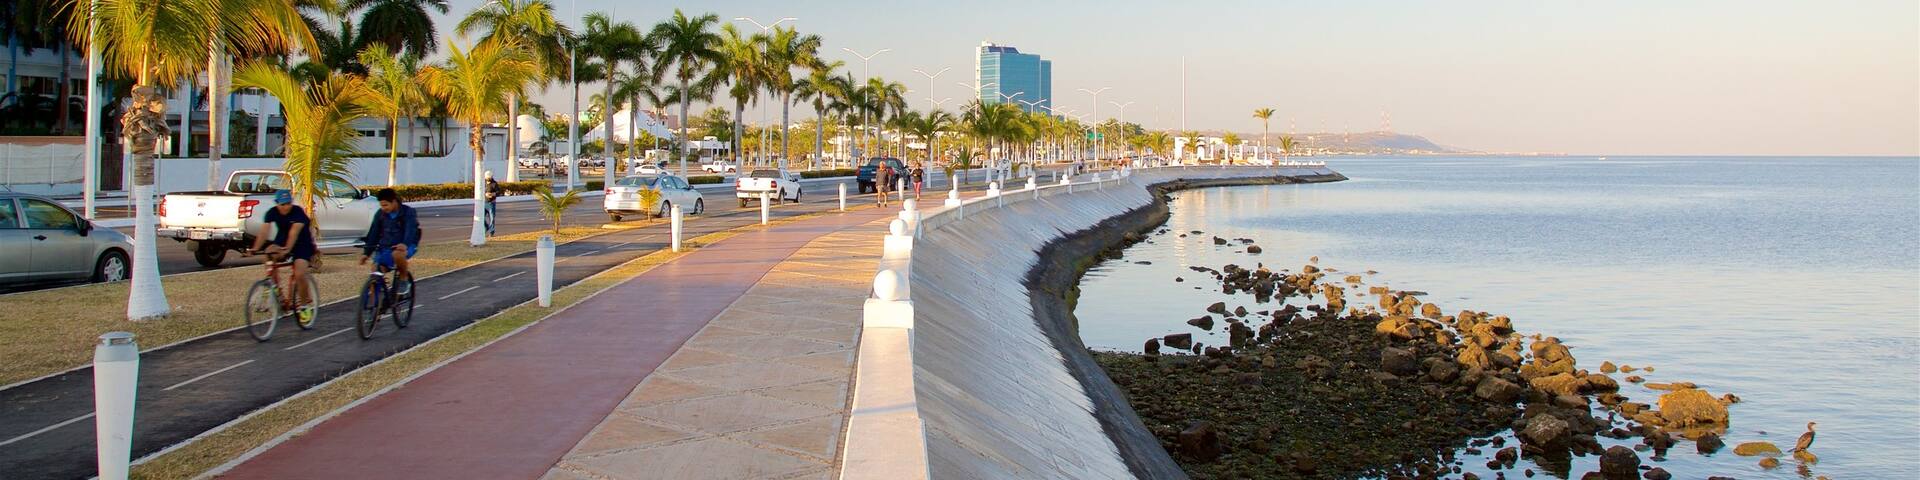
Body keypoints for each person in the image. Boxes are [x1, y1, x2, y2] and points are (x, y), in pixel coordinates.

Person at [250, 190, 316, 311]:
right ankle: (276, 290)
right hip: (282, 240)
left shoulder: (298, 212)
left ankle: (305, 304)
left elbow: (294, 233)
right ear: (276, 203)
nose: (285, 207)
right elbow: (264, 232)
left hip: (302, 243)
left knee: (299, 273)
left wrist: (287, 249)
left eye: (288, 203)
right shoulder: (272, 212)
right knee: (268, 253)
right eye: (282, 204)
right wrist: (255, 248)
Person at [360, 188, 420, 294]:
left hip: (406, 245)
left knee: (398, 255)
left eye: (385, 205)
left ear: (394, 201)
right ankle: (377, 307)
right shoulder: (380, 214)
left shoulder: (408, 212)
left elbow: (410, 230)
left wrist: (405, 244)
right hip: (386, 247)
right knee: (376, 272)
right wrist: (366, 253)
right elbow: (374, 233)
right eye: (381, 205)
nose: (383, 208)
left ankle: (404, 279)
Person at [483, 171, 502, 236]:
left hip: (491, 203)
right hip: (484, 203)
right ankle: (486, 227)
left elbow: (498, 192)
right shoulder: (483, 183)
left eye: (489, 177)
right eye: (487, 177)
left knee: (492, 218)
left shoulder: (494, 184)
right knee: (482, 217)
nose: (487, 179)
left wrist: (493, 194)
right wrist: (485, 194)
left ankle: (491, 231)